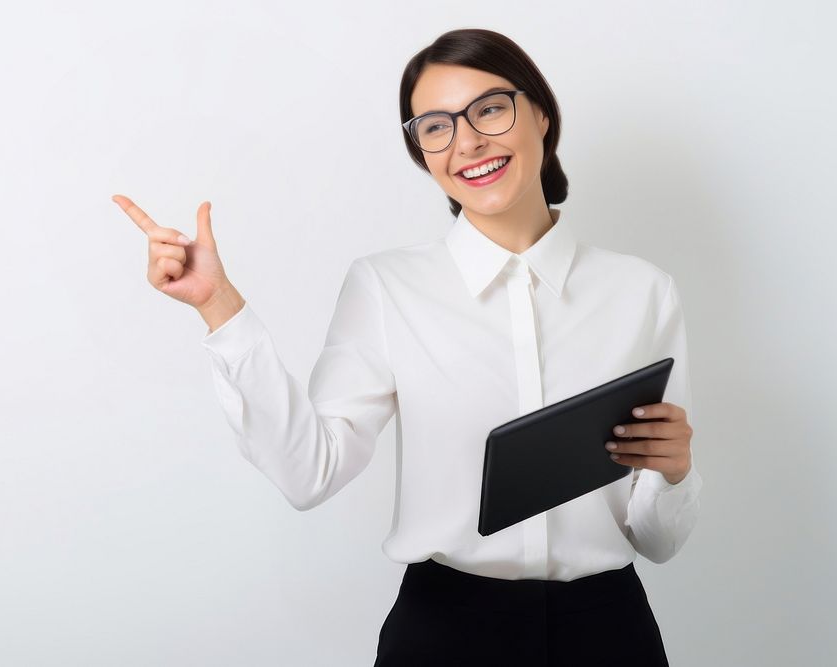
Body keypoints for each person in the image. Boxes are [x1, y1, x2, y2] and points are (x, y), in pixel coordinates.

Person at [112, 27, 703, 667]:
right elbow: (309, 473)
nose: (468, 141)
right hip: (448, 632)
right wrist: (216, 304)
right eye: (436, 126)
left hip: (607, 632)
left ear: (540, 112)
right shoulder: (387, 287)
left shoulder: (641, 291)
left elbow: (658, 540)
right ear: (422, 152)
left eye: (490, 108)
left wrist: (674, 471)